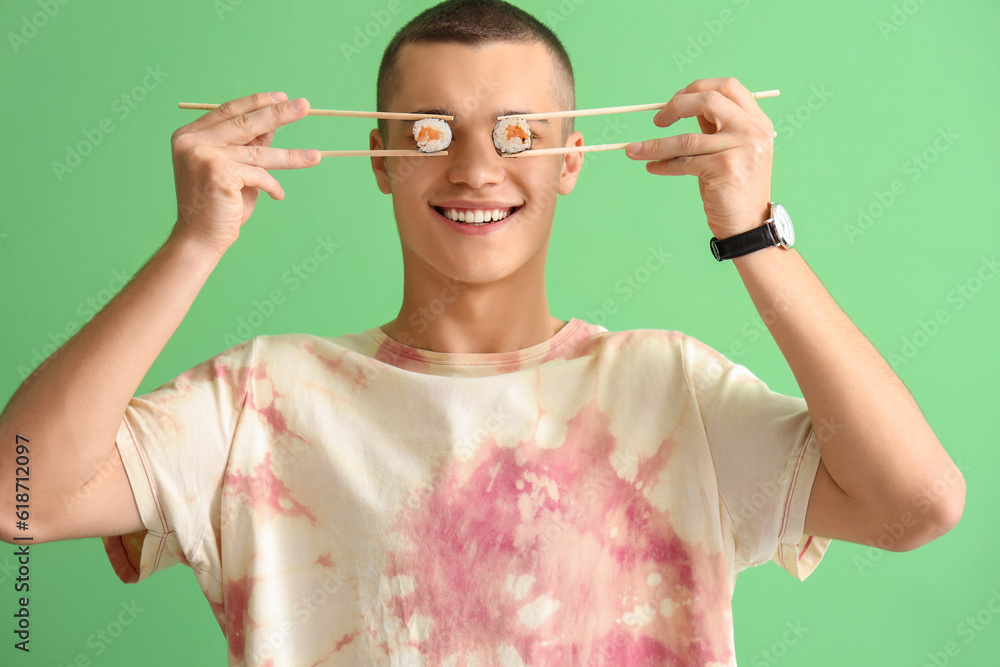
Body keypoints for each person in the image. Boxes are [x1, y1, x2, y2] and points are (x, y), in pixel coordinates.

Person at [0, 1, 965, 665]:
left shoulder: (668, 390)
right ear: (378, 156)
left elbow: (915, 503)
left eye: (517, 133)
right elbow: (19, 495)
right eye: (428, 132)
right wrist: (195, 240)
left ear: (570, 160)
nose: (472, 168)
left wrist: (753, 234)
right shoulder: (265, 398)